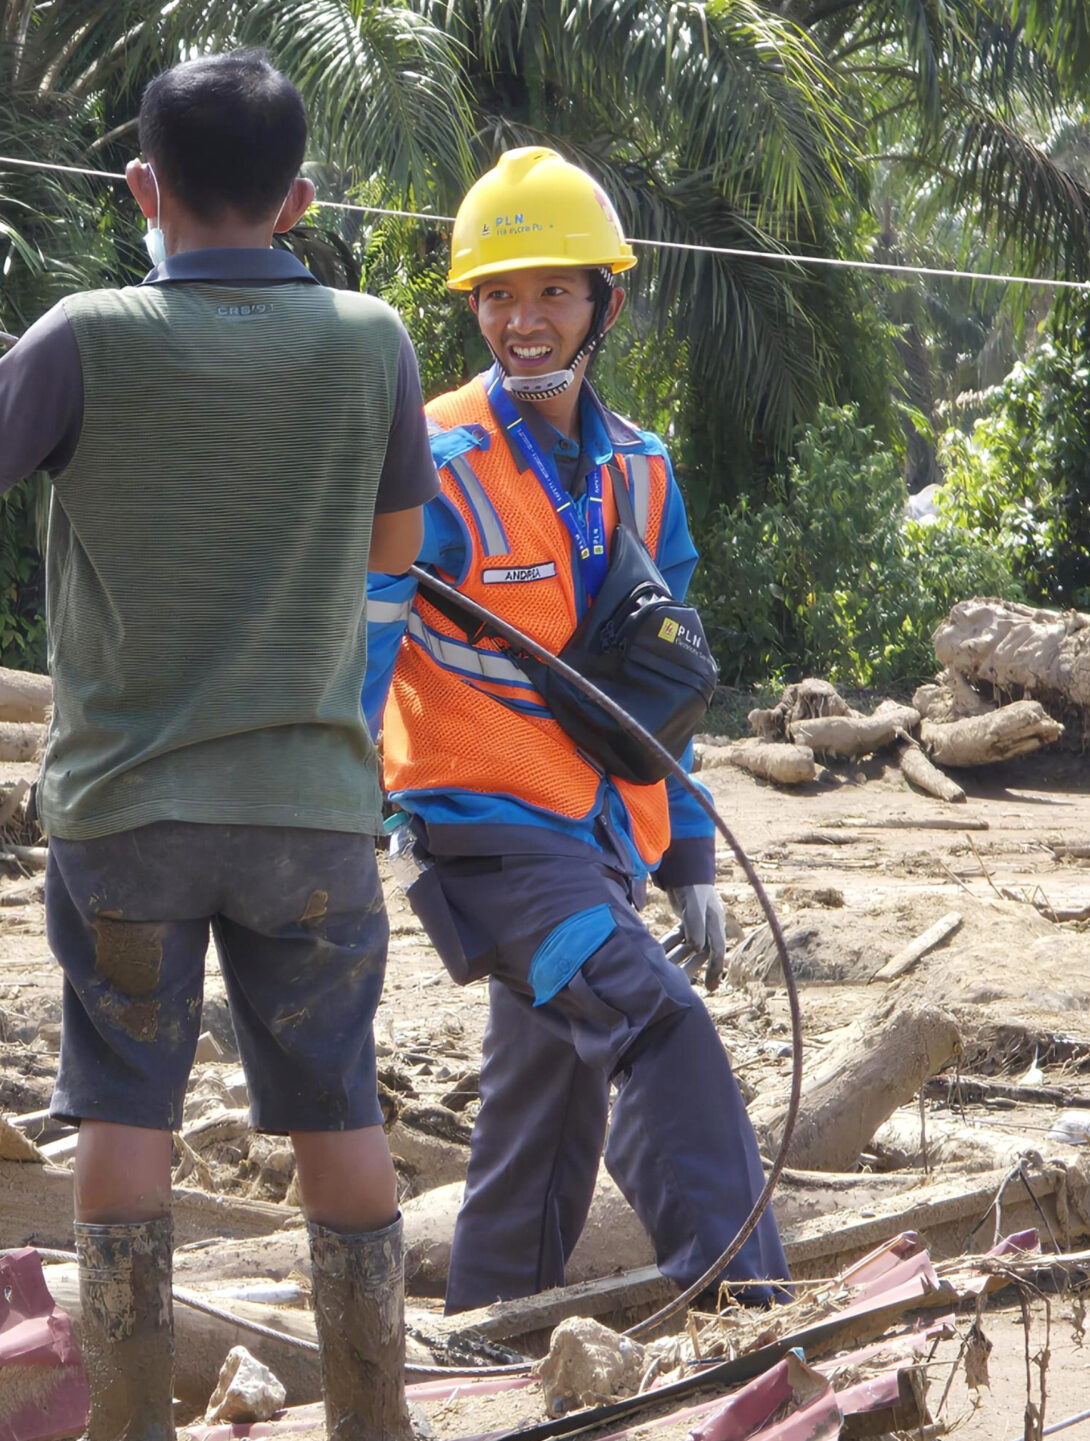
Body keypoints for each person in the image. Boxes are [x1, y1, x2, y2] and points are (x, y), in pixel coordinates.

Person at [0, 50, 433, 1441]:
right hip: (313, 811)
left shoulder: (89, 332)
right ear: (299, 199)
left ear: (143, 188)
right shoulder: (373, 339)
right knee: (339, 1110)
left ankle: (132, 1423)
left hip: (128, 815)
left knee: (125, 1111)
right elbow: (394, 546)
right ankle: (375, 1423)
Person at [364, 148, 789, 1316]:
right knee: (657, 1022)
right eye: (498, 294)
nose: (523, 319)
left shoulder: (640, 469)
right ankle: (746, 1302)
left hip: (602, 841)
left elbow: (664, 683)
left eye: (552, 290)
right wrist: (334, 810)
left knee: (547, 1104)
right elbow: (355, 641)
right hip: (489, 848)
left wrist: (687, 852)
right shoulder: (429, 463)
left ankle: (491, 1333)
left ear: (606, 300)